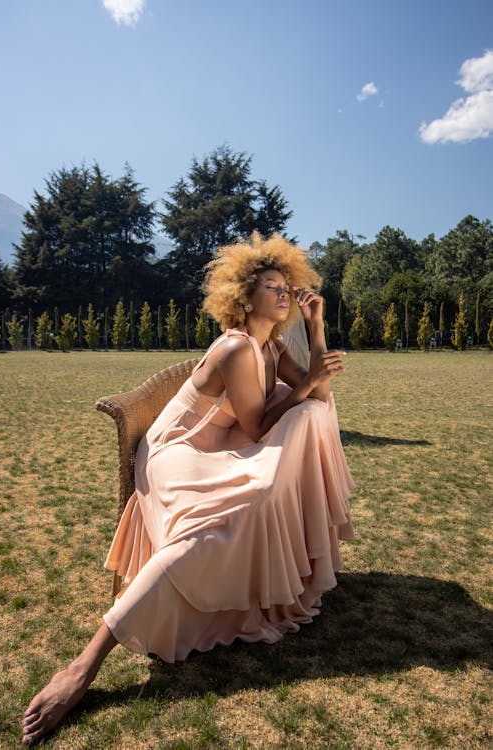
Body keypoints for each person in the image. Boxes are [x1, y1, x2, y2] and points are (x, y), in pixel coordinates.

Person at [22, 232, 355, 745]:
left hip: (218, 445)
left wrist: (316, 326)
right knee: (213, 523)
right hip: (174, 452)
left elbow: (319, 389)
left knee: (311, 413)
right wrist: (308, 383)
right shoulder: (237, 347)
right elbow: (260, 426)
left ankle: (250, 572)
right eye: (272, 286)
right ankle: (83, 667)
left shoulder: (268, 343)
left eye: (289, 286)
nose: (285, 293)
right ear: (245, 297)